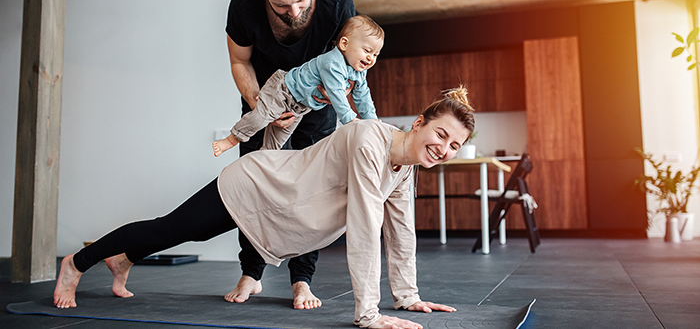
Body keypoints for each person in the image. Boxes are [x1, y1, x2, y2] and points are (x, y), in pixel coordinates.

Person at [53, 87, 476, 329]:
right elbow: (365, 226)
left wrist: (407, 297)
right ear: (419, 122)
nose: (444, 149)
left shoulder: (403, 169)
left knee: (184, 231)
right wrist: (368, 313)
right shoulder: (370, 139)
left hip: (283, 209)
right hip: (258, 184)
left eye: (454, 145)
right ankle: (77, 262)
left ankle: (123, 259)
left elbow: (401, 233)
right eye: (441, 134)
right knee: (175, 229)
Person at [225, 0, 356, 308]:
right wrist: (260, 104)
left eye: (301, 1)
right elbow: (240, 62)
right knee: (254, 188)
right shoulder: (244, 3)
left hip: (317, 111)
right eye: (281, 5)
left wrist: (315, 102)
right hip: (265, 105)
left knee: (310, 194)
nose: (293, 11)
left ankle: (302, 280)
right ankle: (251, 273)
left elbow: (350, 70)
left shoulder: (336, 2)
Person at [212, 15, 383, 156]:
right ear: (344, 44)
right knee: (260, 117)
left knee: (278, 140)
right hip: (283, 90)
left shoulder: (358, 72)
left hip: (299, 106)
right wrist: (350, 120)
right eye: (367, 51)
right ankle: (231, 139)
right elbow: (336, 94)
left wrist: (372, 121)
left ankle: (262, 159)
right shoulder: (332, 63)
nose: (371, 59)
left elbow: (363, 97)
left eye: (376, 54)